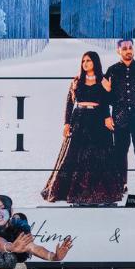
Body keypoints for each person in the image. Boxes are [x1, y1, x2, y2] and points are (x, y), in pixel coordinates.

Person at [41, 51, 124, 207]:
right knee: (77, 157)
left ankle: (103, 197)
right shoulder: (76, 81)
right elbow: (69, 103)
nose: (85, 63)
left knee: (99, 157)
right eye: (84, 60)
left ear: (95, 63)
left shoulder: (103, 80)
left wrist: (109, 91)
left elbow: (110, 101)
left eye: (89, 60)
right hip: (79, 120)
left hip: (99, 121)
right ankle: (77, 196)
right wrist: (66, 123)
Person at [103, 38, 135, 199]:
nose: (128, 50)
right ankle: (122, 184)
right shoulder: (111, 70)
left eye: (130, 47)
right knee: (120, 151)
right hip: (119, 117)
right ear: (118, 51)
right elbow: (106, 98)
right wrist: (107, 114)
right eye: (124, 48)